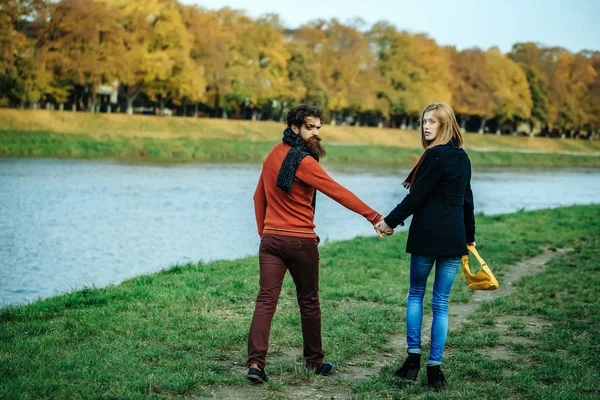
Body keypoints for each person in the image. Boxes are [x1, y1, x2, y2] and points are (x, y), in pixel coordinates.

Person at [247, 104, 387, 384]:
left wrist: (266, 233)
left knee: (265, 301)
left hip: (272, 240)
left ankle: (255, 364)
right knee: (309, 301)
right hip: (301, 241)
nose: (315, 133)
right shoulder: (305, 162)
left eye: (318, 128)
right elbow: (337, 191)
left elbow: (258, 198)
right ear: (295, 127)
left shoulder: (272, 154)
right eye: (310, 128)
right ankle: (315, 362)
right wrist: (373, 216)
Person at [376, 102, 476, 391]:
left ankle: (413, 362)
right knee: (441, 303)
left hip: (428, 236)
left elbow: (415, 197)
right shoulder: (463, 157)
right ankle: (435, 370)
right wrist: (469, 236)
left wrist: (389, 222)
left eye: (433, 121)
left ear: (446, 125)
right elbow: (467, 200)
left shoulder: (434, 156)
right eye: (424, 121)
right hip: (453, 238)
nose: (426, 126)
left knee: (417, 295)